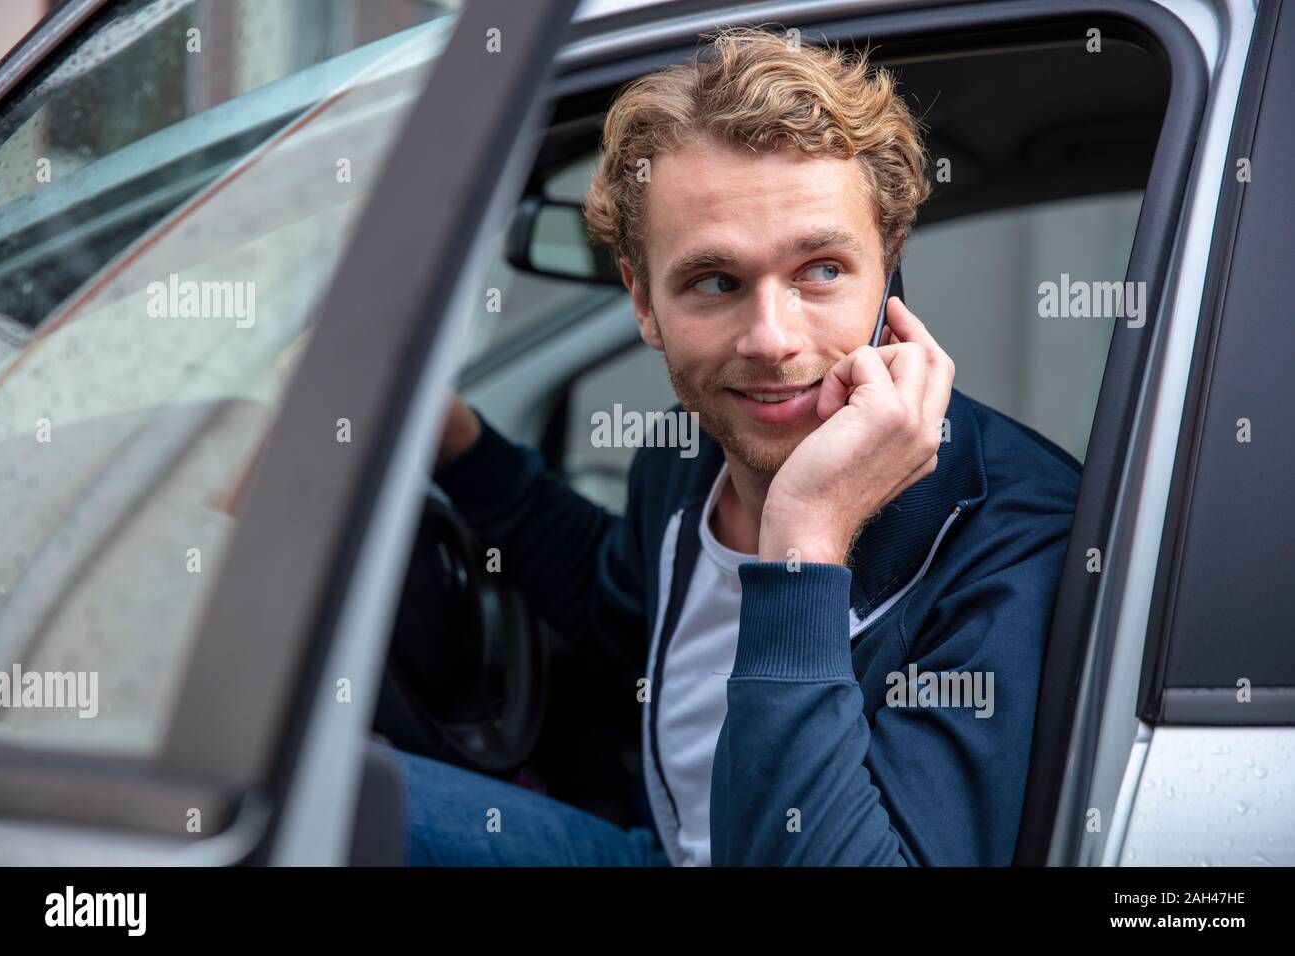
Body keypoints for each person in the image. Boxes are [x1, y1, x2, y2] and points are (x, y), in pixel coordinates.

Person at [391, 25, 1080, 866]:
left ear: (889, 267)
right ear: (642, 302)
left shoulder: (1017, 540)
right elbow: (614, 608)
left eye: (820, 270)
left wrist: (807, 543)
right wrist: (455, 443)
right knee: (336, 798)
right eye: (715, 281)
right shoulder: (686, 455)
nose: (772, 340)